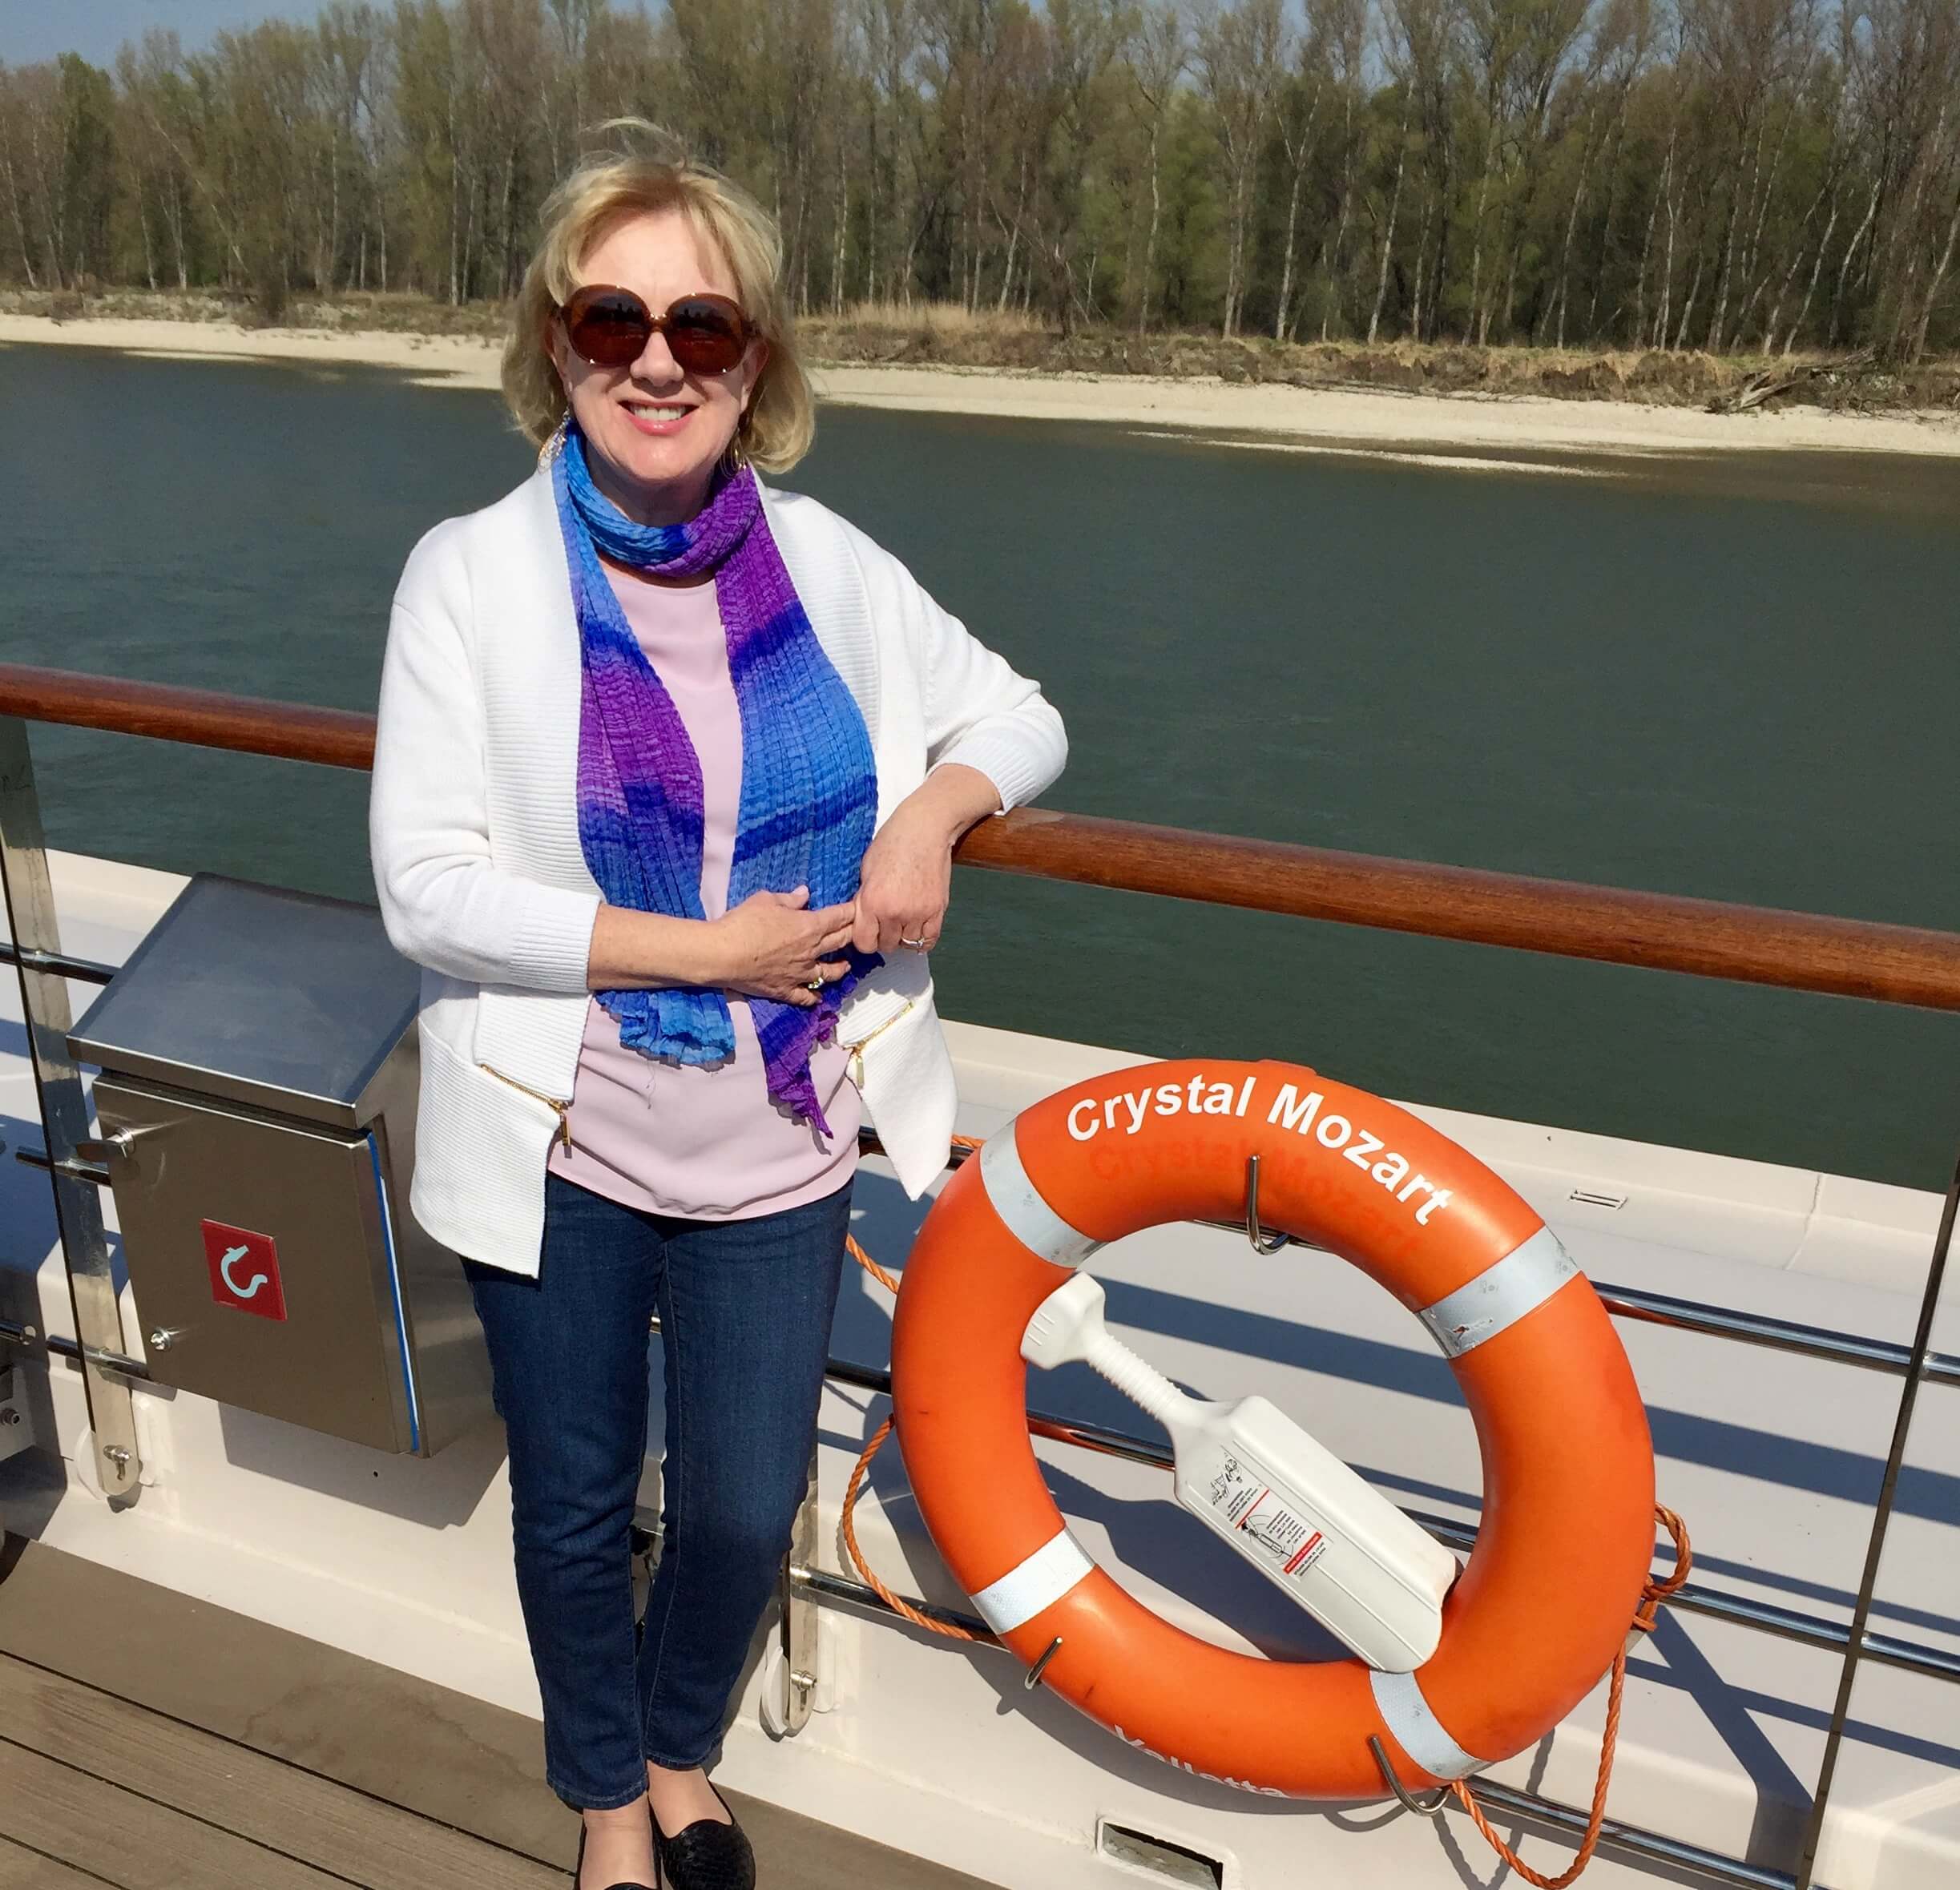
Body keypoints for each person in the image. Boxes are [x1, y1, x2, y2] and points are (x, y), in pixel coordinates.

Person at [369, 125, 1066, 1890]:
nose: (658, 362)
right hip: (563, 1139)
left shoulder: (830, 566)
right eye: (614, 321)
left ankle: (682, 1747)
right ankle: (611, 1801)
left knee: (746, 1506)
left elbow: (1021, 712)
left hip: (785, 1132)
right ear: (556, 347)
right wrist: (707, 954)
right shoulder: (470, 574)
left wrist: (928, 813)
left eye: (703, 325)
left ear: (756, 363)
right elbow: (423, 887)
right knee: (575, 1500)